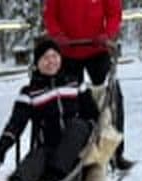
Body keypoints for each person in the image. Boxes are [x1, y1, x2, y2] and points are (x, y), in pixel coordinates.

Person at [0, 38, 99, 181]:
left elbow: (93, 114)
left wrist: (92, 130)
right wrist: (0, 150)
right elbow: (15, 125)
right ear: (37, 63)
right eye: (45, 58)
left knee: (78, 125)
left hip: (77, 147)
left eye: (54, 56)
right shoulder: (30, 93)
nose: (51, 61)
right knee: (33, 162)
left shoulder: (75, 83)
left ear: (60, 58)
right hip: (48, 148)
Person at [43, 0, 133, 170]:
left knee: (112, 98)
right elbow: (50, 15)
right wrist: (57, 35)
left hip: (97, 50)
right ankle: (72, 155)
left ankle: (116, 153)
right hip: (68, 52)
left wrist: (108, 34)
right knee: (70, 105)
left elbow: (114, 12)